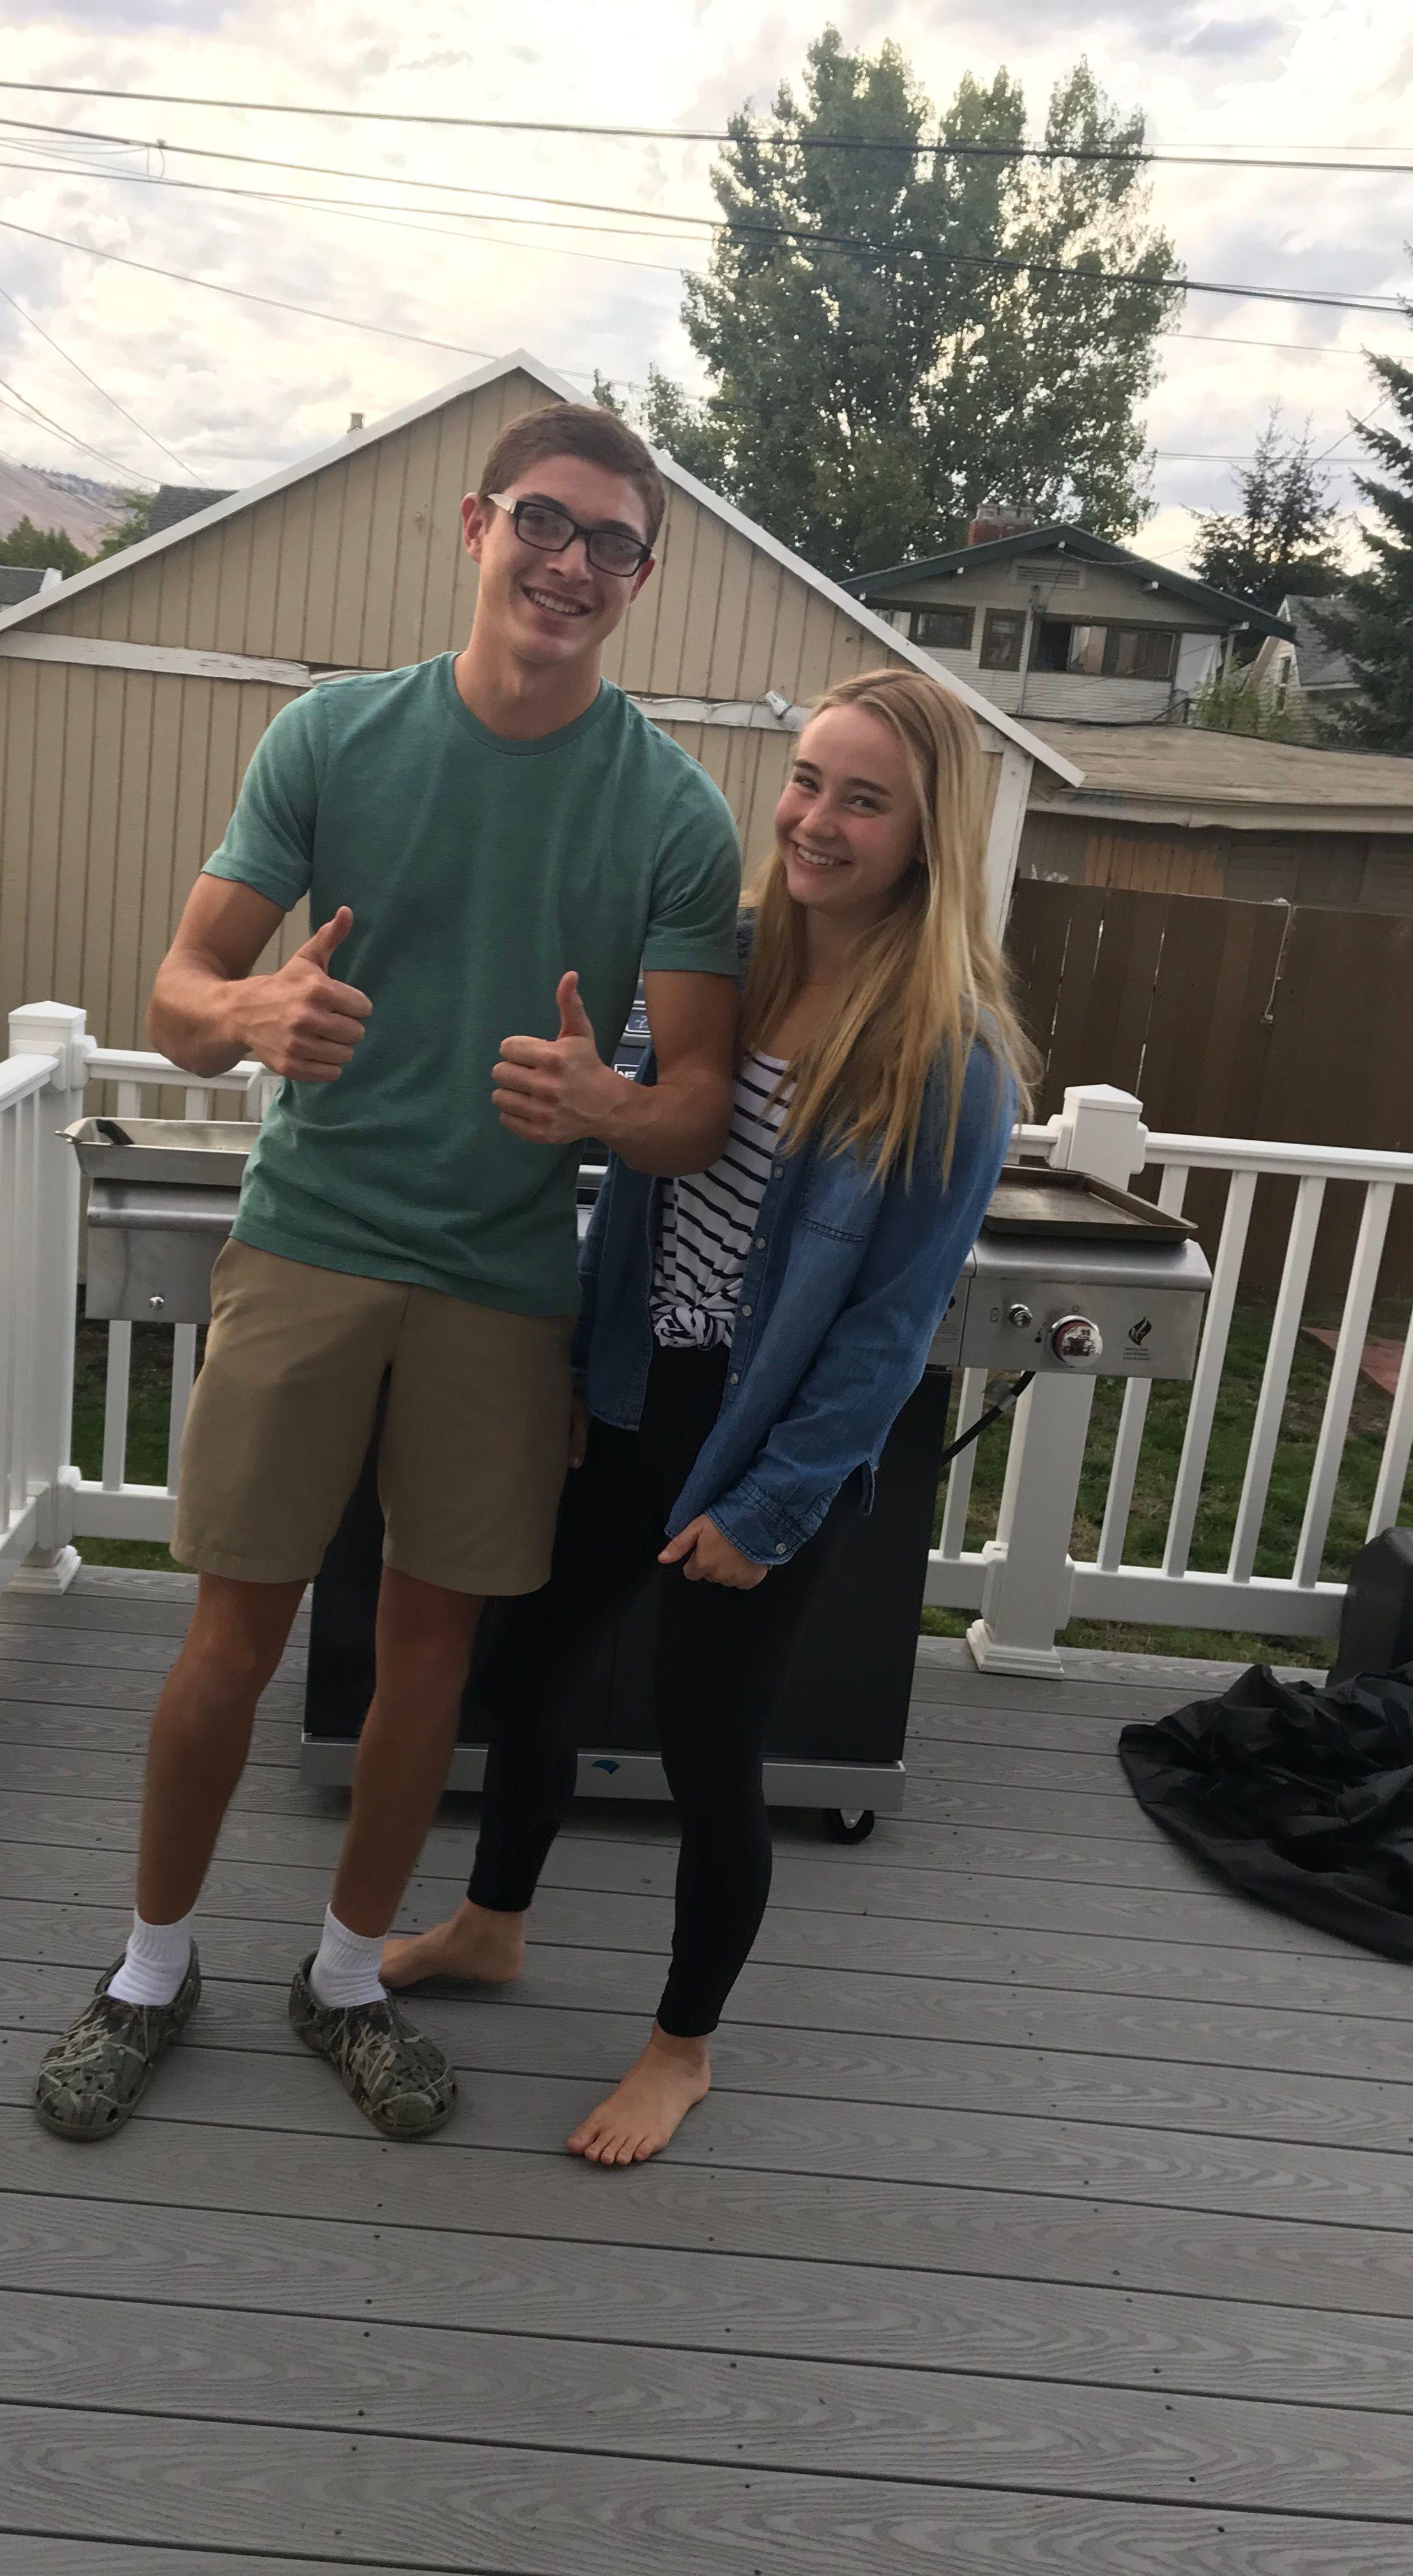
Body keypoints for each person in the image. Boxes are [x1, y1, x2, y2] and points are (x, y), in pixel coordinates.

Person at [34, 404, 746, 2146]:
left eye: (615, 544)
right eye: (547, 525)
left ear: (642, 580)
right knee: (232, 1637)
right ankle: (149, 1970)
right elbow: (180, 998)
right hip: (307, 1241)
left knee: (427, 1658)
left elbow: (701, 1104)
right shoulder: (332, 741)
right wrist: (255, 1013)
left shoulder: (672, 812)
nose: (574, 564)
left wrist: (610, 1106)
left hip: (507, 1286)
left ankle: (346, 1979)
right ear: (473, 527)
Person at [384, 666, 1036, 2166]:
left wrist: (771, 1508)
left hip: (770, 1441)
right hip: (637, 1394)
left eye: (864, 799)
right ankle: (493, 1926)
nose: (816, 819)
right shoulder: (724, 963)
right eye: (808, 780)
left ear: (928, 835)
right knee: (530, 1672)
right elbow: (636, 1200)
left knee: (706, 1751)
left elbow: (890, 1327)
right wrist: (580, 1374)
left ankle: (682, 2049)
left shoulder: (949, 1059)